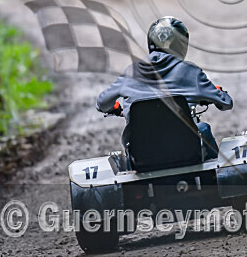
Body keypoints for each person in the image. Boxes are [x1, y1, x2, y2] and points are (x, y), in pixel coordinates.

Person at [96, 17, 233, 158]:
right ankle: (214, 176)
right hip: (185, 149)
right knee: (203, 129)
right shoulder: (190, 71)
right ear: (180, 45)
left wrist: (116, 108)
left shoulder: (131, 72)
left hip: (141, 153)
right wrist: (217, 93)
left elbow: (102, 103)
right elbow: (226, 103)